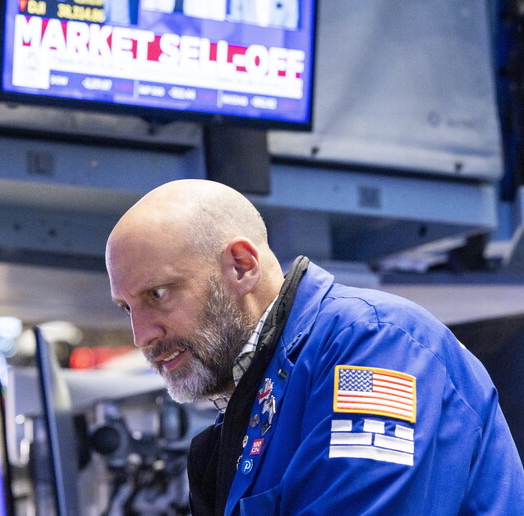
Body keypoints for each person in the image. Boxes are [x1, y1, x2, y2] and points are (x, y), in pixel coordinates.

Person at [105, 179, 524, 515]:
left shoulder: (373, 345)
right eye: (126, 308)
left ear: (241, 266)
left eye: (157, 294)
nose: (141, 336)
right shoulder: (253, 405)